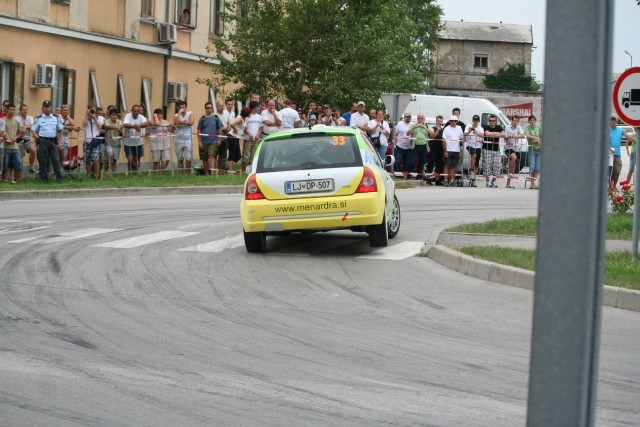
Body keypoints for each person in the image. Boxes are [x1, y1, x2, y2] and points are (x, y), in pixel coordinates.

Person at [31, 99, 64, 184]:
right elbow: (33, 130)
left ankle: (59, 179)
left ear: (51, 107)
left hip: (53, 141)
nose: (47, 109)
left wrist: (60, 138)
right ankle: (44, 179)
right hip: (43, 141)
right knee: (43, 160)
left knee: (55, 160)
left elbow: (61, 129)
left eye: (48, 107)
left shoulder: (55, 118)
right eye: (45, 107)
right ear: (43, 108)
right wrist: (38, 138)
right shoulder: (39, 118)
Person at [198, 102, 225, 175]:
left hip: (213, 141)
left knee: (212, 156)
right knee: (204, 158)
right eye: (207, 108)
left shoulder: (216, 117)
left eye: (210, 107)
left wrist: (219, 139)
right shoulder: (202, 118)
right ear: (205, 109)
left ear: (212, 108)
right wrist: (199, 141)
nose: (209, 109)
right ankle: (207, 173)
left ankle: (212, 172)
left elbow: (220, 128)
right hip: (204, 141)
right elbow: (199, 130)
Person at [609, 117, 635, 190]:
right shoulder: (607, 130)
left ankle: (614, 185)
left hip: (617, 154)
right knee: (609, 171)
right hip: (608, 154)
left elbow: (628, 136)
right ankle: (611, 187)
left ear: (616, 122)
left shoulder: (620, 130)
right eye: (611, 123)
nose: (612, 125)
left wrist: (636, 140)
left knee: (617, 170)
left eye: (613, 123)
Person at [123, 104, 148, 172]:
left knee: (136, 159)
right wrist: (135, 126)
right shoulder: (128, 115)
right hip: (128, 142)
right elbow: (125, 124)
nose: (136, 112)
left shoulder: (141, 116)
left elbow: (146, 124)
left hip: (138, 142)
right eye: (134, 111)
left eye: (137, 111)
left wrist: (139, 125)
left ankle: (132, 173)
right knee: (130, 159)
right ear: (132, 111)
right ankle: (136, 170)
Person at [482, 114, 505, 187]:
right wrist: (497, 133)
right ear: (489, 121)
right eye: (490, 121)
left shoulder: (499, 127)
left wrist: (492, 134)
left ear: (495, 121)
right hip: (487, 149)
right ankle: (487, 181)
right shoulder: (486, 126)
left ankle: (494, 181)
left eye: (493, 121)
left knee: (497, 166)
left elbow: (503, 134)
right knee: (487, 166)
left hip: (496, 149)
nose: (492, 122)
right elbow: (487, 133)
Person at [2, 103, 22, 183]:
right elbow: (1, 132)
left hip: (15, 147)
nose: (12, 111)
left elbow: (19, 133)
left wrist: (15, 138)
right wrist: (5, 137)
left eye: (13, 110)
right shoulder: (3, 120)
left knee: (18, 163)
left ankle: (15, 180)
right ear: (7, 110)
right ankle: (4, 180)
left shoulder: (16, 121)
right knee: (5, 165)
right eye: (10, 109)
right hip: (5, 146)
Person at [82, 103, 104, 178]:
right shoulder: (87, 117)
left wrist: (94, 118)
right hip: (88, 140)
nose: (92, 110)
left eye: (93, 109)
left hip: (95, 140)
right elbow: (83, 125)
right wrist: (86, 116)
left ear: (96, 109)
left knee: (95, 159)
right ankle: (88, 175)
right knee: (87, 160)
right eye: (90, 109)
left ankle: (97, 176)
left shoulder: (100, 117)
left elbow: (100, 127)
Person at [504, 115, 525, 188]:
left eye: (517, 121)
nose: (515, 122)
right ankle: (509, 169)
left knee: (513, 165)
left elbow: (523, 135)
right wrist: (508, 137)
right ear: (512, 121)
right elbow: (505, 137)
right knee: (514, 157)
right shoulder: (507, 127)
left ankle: (508, 183)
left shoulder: (518, 127)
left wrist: (517, 136)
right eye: (514, 120)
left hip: (516, 148)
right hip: (508, 147)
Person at [442, 115, 464, 186]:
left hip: (456, 150)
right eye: (452, 121)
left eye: (455, 121)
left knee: (454, 166)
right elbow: (443, 140)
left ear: (457, 121)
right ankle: (445, 180)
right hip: (448, 149)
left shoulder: (459, 128)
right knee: (447, 165)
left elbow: (462, 138)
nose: (453, 122)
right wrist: (445, 151)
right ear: (449, 121)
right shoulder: (446, 129)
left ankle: (452, 180)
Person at [242, 101, 263, 172]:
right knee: (246, 156)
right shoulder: (247, 116)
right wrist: (249, 134)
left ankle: (251, 171)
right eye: (257, 107)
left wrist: (257, 135)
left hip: (256, 139)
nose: (259, 108)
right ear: (253, 108)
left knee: (253, 156)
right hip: (248, 139)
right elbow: (243, 128)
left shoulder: (260, 117)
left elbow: (261, 127)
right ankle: (244, 170)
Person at [174, 100, 195, 173]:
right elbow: (176, 123)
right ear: (178, 108)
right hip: (178, 140)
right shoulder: (176, 115)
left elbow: (191, 122)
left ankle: (188, 173)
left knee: (188, 159)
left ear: (186, 107)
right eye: (181, 107)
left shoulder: (190, 113)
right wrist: (179, 113)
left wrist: (182, 122)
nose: (183, 109)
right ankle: (181, 174)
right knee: (180, 159)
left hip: (188, 140)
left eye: (184, 107)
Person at [228, 106, 250, 174]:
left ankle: (231, 169)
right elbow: (231, 124)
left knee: (238, 156)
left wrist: (249, 134)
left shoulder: (243, 119)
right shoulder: (239, 118)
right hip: (232, 136)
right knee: (232, 154)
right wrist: (235, 129)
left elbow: (242, 129)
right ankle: (230, 171)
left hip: (236, 137)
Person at [463, 114, 484, 187]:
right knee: (474, 155)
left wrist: (476, 133)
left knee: (477, 163)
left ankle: (473, 179)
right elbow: (464, 134)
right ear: (472, 120)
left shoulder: (480, 128)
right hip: (470, 145)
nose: (475, 122)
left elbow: (482, 135)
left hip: (478, 146)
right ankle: (472, 171)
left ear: (478, 121)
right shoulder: (468, 126)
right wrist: (469, 131)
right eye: (474, 121)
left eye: (477, 121)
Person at [148, 108, 171, 174]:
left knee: (167, 159)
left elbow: (170, 130)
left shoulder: (165, 122)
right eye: (158, 114)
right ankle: (156, 174)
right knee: (156, 161)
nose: (160, 115)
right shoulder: (152, 122)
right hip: (155, 145)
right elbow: (157, 124)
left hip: (165, 144)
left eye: (161, 114)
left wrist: (172, 127)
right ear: (155, 115)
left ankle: (160, 172)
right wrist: (155, 117)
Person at [16, 104, 36, 173]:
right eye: (23, 109)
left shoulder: (30, 118)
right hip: (19, 138)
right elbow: (17, 127)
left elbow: (32, 126)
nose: (25, 111)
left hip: (27, 138)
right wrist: (24, 127)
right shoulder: (17, 118)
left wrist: (25, 127)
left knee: (33, 149)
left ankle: (31, 166)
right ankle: (19, 172)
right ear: (20, 111)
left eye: (26, 109)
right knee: (20, 156)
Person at [393, 112, 414, 178]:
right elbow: (395, 133)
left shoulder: (412, 125)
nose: (408, 118)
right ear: (404, 117)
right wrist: (394, 140)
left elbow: (413, 135)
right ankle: (397, 175)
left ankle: (405, 175)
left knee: (407, 163)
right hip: (400, 146)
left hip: (409, 147)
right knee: (397, 162)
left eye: (409, 117)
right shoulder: (400, 123)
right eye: (407, 117)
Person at [524, 115, 542, 190]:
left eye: (533, 120)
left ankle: (533, 181)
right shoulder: (527, 127)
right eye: (531, 120)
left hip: (539, 150)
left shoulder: (539, 127)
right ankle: (532, 183)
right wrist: (536, 138)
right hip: (531, 150)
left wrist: (538, 140)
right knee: (532, 167)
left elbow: (541, 137)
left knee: (537, 168)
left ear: (535, 121)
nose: (532, 121)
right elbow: (528, 136)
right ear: (529, 121)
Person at [409, 114, 430, 179]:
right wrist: (414, 127)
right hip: (415, 146)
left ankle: (419, 176)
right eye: (419, 118)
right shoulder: (413, 125)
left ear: (424, 119)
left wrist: (425, 128)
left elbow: (432, 134)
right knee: (412, 161)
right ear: (417, 119)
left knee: (422, 162)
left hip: (424, 146)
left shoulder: (427, 125)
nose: (420, 119)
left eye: (422, 118)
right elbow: (407, 133)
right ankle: (410, 175)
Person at [426, 115, 445, 185]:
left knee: (440, 165)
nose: (439, 122)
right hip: (434, 148)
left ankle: (437, 180)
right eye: (438, 121)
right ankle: (428, 178)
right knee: (431, 163)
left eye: (441, 121)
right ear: (436, 121)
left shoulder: (443, 129)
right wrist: (437, 130)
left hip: (441, 149)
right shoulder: (433, 128)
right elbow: (432, 136)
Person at [103, 108, 123, 174]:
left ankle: (113, 174)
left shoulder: (119, 121)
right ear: (110, 115)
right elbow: (106, 126)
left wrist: (120, 129)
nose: (114, 116)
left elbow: (121, 126)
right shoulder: (106, 121)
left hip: (117, 143)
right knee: (110, 155)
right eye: (113, 115)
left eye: (115, 115)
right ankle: (105, 172)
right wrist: (114, 127)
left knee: (114, 160)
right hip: (108, 143)